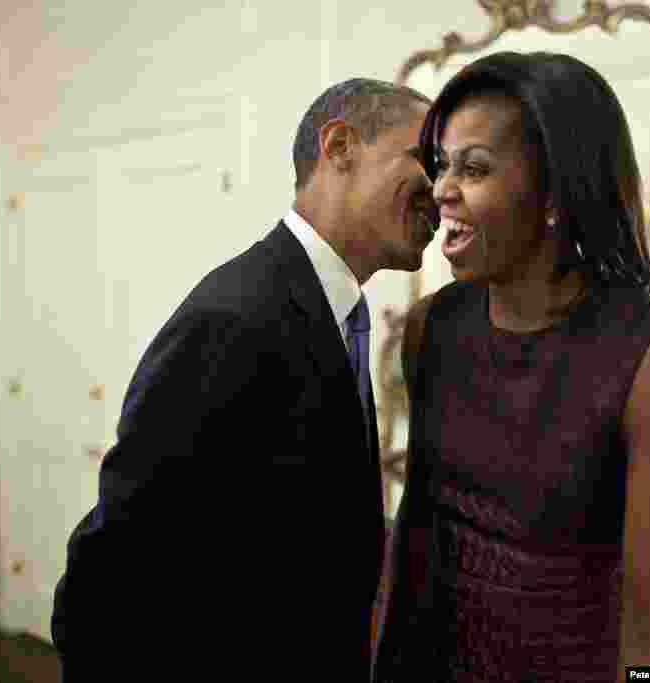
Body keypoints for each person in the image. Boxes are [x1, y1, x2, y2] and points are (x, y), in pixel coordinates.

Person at [51, 77, 438, 681]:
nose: (440, 190)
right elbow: (116, 567)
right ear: (339, 147)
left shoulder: (332, 309)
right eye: (425, 159)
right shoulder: (236, 318)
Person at [372, 52, 650, 683]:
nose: (441, 188)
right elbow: (414, 548)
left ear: (556, 191)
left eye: (473, 168)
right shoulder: (433, 328)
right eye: (443, 164)